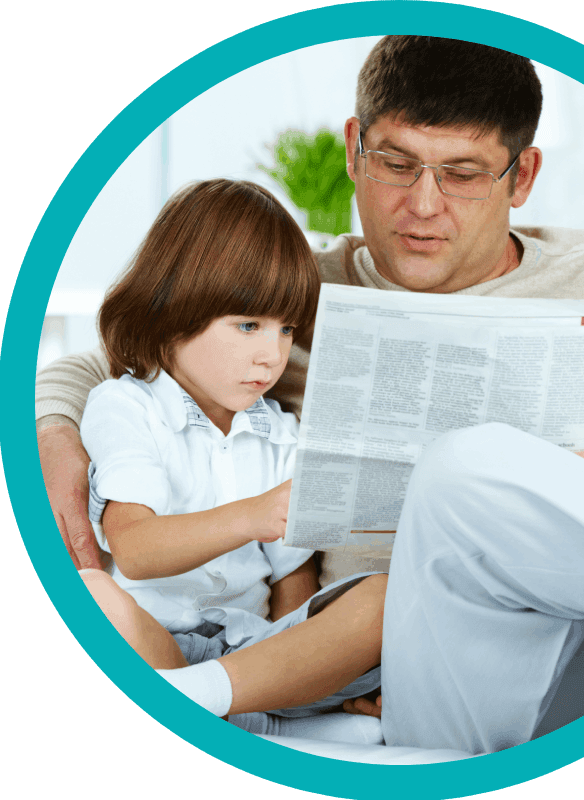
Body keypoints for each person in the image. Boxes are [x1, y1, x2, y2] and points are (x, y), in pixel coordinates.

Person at [36, 37, 584, 752]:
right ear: (354, 148)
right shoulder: (285, 300)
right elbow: (124, 350)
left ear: (524, 173)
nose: (422, 204)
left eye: (463, 173)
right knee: (460, 471)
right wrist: (55, 428)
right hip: (432, 672)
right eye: (395, 162)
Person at [76, 178, 386, 742]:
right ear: (173, 311)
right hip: (158, 637)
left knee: (381, 598)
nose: (272, 355)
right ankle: (234, 715)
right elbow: (136, 550)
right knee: (93, 597)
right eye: (248, 325)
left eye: (285, 328)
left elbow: (294, 580)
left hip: (251, 655)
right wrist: (252, 515)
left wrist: (304, 658)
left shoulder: (281, 434)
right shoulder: (126, 406)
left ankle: (220, 706)